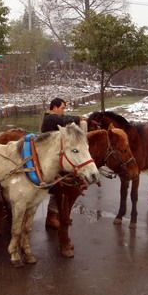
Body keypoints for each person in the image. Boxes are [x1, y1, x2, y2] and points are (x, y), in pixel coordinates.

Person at [41, 98, 87, 229]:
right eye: (62, 108)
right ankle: (51, 216)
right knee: (60, 186)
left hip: (55, 154)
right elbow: (63, 120)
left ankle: (59, 214)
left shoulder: (52, 118)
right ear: (54, 107)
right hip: (50, 157)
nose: (63, 111)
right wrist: (79, 119)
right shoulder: (50, 118)